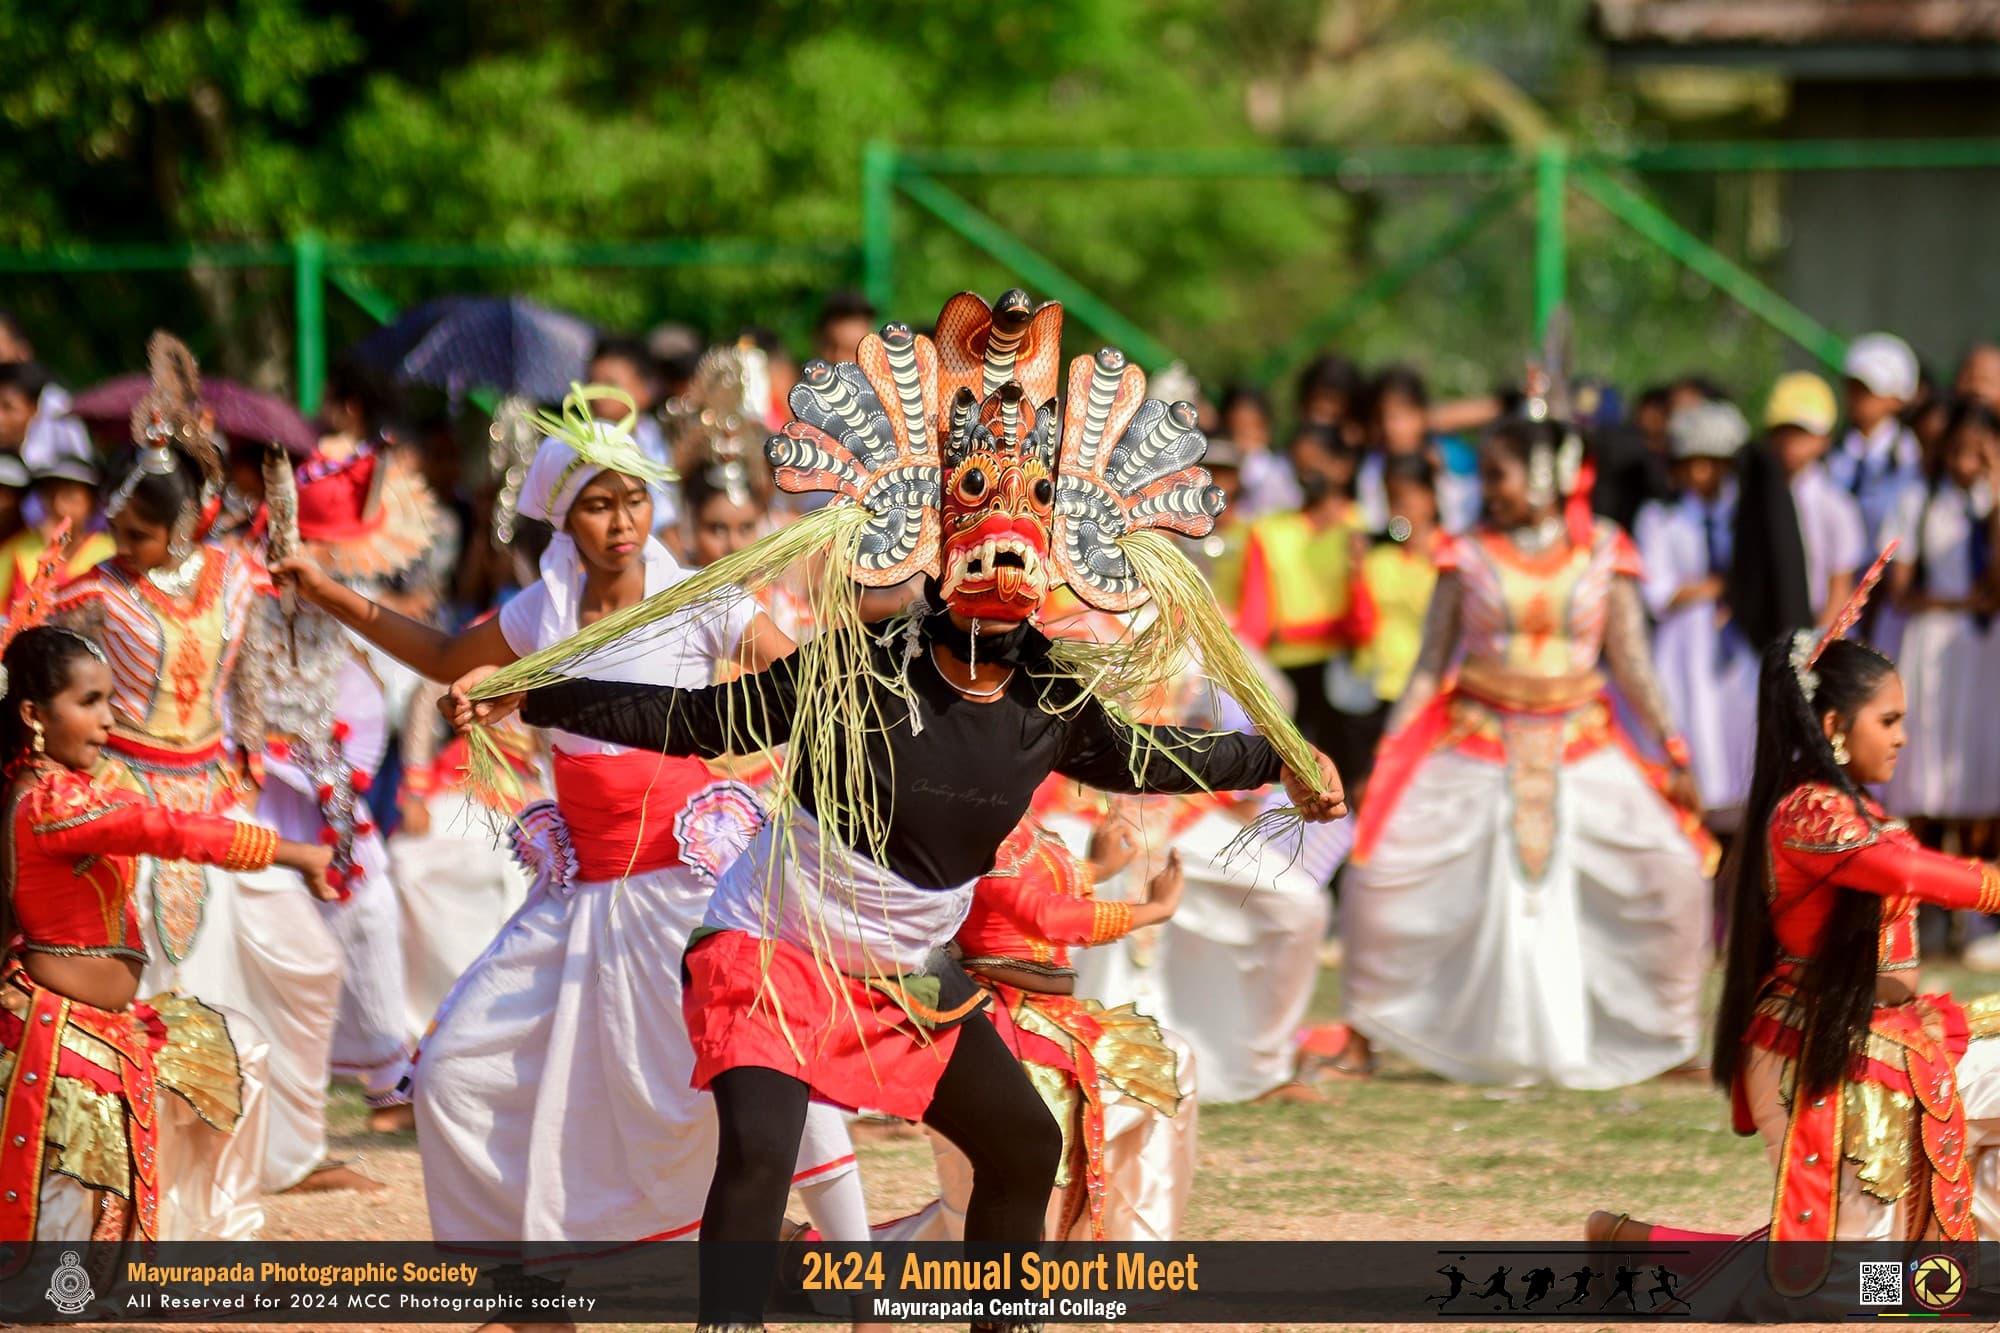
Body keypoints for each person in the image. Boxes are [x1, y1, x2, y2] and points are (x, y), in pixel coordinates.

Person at [458, 290, 1344, 1330]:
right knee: (757, 1152)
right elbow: (700, 722)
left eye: (1024, 560)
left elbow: (1153, 755)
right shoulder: (859, 672)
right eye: (983, 554)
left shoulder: (1052, 701)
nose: (1005, 580)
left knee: (1021, 1144)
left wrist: (1280, 754)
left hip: (903, 976)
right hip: (776, 950)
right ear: (940, 564)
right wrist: (534, 690)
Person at [276, 387, 871, 1294]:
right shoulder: (540, 612)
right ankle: (529, 1295)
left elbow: (793, 672)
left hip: (690, 895)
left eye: (634, 499)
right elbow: (443, 656)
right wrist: (327, 592)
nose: (622, 521)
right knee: (454, 1073)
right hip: (582, 903)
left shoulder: (695, 597)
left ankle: (859, 1277)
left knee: (764, 1068)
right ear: (565, 517)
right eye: (599, 503)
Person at [1587, 587, 2000, 1283]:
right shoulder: (1810, 813)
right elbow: (1904, 867)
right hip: (1824, 1058)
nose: (1903, 737)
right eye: (1890, 720)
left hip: (1888, 1038)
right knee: (1848, 1286)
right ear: (1836, 724)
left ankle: (1634, 1238)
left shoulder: (1852, 804)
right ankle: (1642, 1242)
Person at [52, 333, 355, 1196]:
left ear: (191, 518)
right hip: (130, 804)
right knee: (160, 988)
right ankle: (145, 1166)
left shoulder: (235, 577)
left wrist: (253, 744)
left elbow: (259, 664)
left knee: (306, 964)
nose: (124, 539)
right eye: (118, 523)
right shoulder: (91, 593)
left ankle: (287, 1147)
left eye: (143, 530)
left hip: (221, 797)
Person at [1337, 411, 1712, 1088]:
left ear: (1547, 475)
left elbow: (1632, 661)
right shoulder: (1465, 552)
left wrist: (1675, 751)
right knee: (1381, 871)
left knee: (1673, 873)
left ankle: (1665, 1040)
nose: (1489, 489)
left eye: (1499, 475)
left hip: (1582, 743)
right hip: (1477, 738)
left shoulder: (1605, 548)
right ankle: (1365, 1034)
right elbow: (1430, 664)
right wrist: (1390, 754)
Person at [0, 626, 336, 1247]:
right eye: (90, 701)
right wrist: (295, 854)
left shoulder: (69, 790)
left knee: (243, 1048)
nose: (110, 719)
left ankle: (211, 1239)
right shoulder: (51, 803)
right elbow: (170, 830)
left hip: (111, 1018)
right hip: (66, 1031)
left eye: (109, 699)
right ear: (33, 714)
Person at [889, 819, 1196, 1242]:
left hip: (1047, 1015)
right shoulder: (975, 815)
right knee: (1039, 1132)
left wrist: (1096, 870)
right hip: (997, 1018)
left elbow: (1030, 889)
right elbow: (1040, 914)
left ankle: (1123, 1258)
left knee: (1172, 1062)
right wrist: (1152, 911)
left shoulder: (1017, 815)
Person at [1877, 397, 2000, 831]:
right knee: (1927, 760)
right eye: (1958, 451)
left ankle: (1978, 892)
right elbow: (1901, 593)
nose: (1966, 464)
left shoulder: (1992, 504)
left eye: (1979, 452)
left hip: (1986, 647)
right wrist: (1961, 604)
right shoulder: (1918, 501)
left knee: (1981, 761)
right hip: (1933, 642)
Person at [1633, 401, 1757, 825]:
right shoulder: (1659, 518)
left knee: (1734, 726)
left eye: (1711, 464)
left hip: (1733, 640)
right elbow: (1658, 589)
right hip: (1684, 643)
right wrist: (1715, 586)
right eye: (1691, 463)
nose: (1701, 474)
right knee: (1691, 723)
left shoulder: (1741, 516)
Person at [1235, 425, 1366, 780]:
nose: (1308, 474)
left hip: (1349, 675)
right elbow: (1255, 622)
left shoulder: (1364, 528)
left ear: (1343, 466)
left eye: (1317, 465)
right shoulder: (1268, 531)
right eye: (1300, 466)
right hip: (1286, 680)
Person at [1764, 372, 1866, 623]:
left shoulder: (1837, 505)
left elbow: (1841, 584)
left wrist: (1816, 643)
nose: (1790, 443)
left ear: (1824, 439)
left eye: (1801, 433)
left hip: (1817, 629)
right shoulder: (1756, 500)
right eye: (1783, 432)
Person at [1828, 332, 1924, 543]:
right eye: (1852, 387)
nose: (1856, 397)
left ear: (1898, 399)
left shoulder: (1908, 454)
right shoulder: (1832, 449)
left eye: (1867, 390)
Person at [0, 457, 114, 614]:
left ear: (92, 502)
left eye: (70, 497)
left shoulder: (110, 553)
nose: (59, 506)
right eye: (51, 494)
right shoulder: (17, 550)